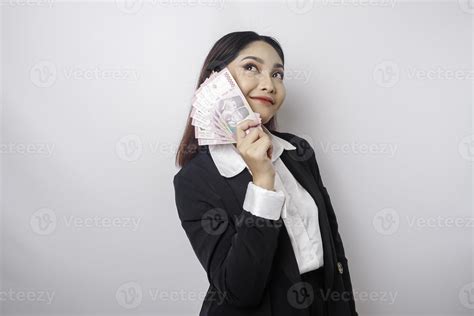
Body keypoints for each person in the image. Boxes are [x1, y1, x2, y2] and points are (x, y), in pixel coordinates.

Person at [173, 31, 358, 316]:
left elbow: (334, 248)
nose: (269, 85)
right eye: (251, 67)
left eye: (278, 74)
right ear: (217, 82)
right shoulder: (195, 180)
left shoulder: (298, 151)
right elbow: (239, 291)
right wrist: (262, 181)